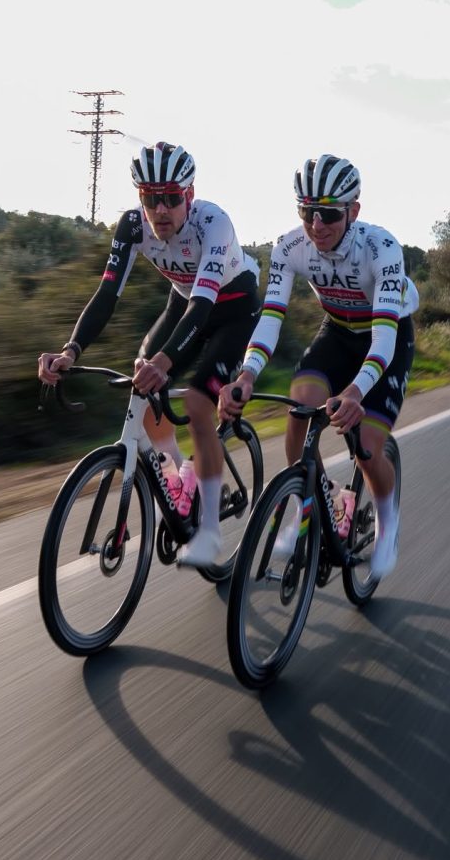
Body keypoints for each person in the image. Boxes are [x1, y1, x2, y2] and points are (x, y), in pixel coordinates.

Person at [38, 141, 261, 567]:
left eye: (172, 199)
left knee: (196, 401)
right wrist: (71, 349)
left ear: (189, 196)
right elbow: (107, 295)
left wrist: (166, 362)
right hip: (184, 302)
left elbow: (204, 305)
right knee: (143, 376)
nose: (161, 210)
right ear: (140, 197)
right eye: (151, 199)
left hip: (231, 308)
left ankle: (211, 531)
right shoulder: (132, 226)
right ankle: (179, 475)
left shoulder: (214, 223)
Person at [218, 153, 418, 580]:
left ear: (354, 211)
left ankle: (387, 524)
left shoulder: (381, 248)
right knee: (300, 408)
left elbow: (383, 339)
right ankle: (312, 504)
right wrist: (248, 372)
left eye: (328, 213)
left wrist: (355, 391)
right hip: (339, 329)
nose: (317, 225)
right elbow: (270, 317)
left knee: (366, 442)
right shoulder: (289, 246)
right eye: (307, 212)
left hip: (388, 334)